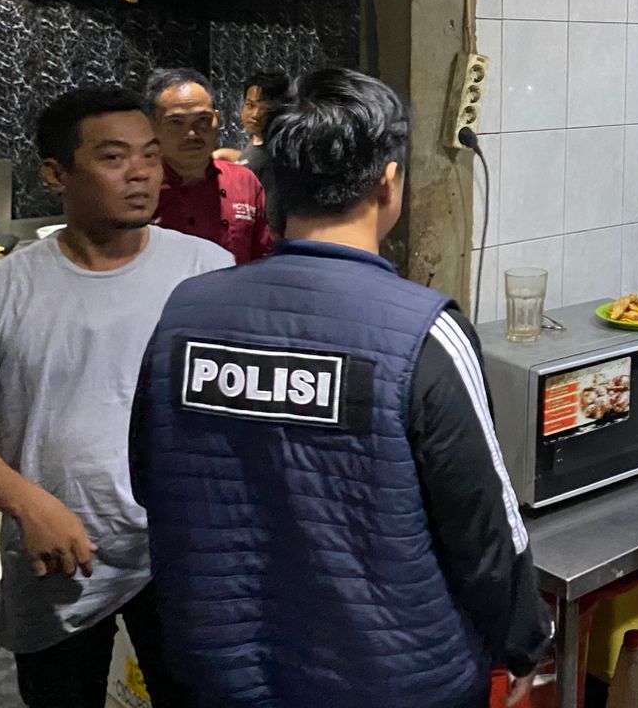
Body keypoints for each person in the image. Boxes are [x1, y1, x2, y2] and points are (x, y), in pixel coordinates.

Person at [131, 68, 553, 708]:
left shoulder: (185, 313)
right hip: (393, 681)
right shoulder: (423, 331)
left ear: (275, 185)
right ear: (388, 181)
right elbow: (483, 525)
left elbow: (148, 477)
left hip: (221, 669)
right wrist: (523, 638)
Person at [0, 86, 232, 708]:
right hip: (60, 559)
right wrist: (28, 505)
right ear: (56, 175)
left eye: (149, 155)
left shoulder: (206, 271)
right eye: (113, 158)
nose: (141, 173)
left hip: (179, 553)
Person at [147, 66, 273, 263]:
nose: (192, 133)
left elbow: (263, 256)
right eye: (176, 122)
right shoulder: (142, 186)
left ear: (217, 119)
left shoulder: (244, 181)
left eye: (203, 119)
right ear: (152, 125)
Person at [212, 69, 293, 182]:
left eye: (266, 109)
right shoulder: (259, 143)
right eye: (250, 105)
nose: (255, 115)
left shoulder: (280, 154)